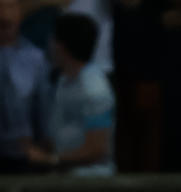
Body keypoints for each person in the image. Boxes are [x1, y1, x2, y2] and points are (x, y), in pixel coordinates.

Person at [25, 12, 115, 175]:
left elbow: (97, 149)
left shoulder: (95, 90)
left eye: (52, 39)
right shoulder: (63, 81)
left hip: (90, 182)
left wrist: (50, 159)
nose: (49, 45)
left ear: (60, 46)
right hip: (63, 177)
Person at [0, 0, 51, 173]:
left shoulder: (36, 58)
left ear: (20, 14)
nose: (4, 14)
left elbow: (44, 109)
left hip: (27, 155)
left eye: (10, 7)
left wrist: (44, 150)